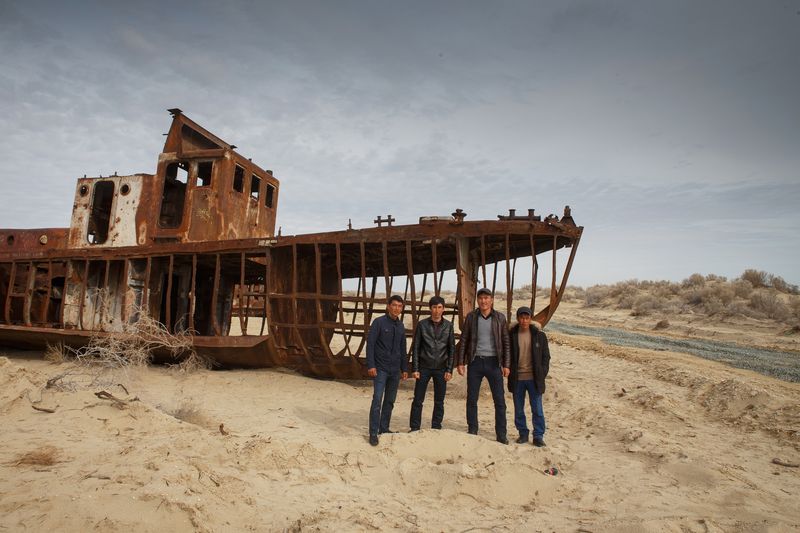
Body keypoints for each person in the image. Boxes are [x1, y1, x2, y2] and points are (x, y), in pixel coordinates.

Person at [456, 288, 511, 444]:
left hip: (494, 363)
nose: (483, 301)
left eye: (486, 298)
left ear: (491, 300)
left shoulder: (500, 318)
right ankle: (472, 429)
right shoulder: (471, 317)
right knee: (472, 399)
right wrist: (461, 362)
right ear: (477, 300)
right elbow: (464, 339)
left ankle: (501, 434)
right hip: (475, 362)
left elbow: (506, 342)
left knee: (499, 401)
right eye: (481, 298)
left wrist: (506, 364)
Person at [366, 294, 408, 446]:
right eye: (394, 305)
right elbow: (370, 344)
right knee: (377, 399)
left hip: (395, 370)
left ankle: (384, 428)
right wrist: (371, 365)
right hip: (380, 368)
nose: (397, 308)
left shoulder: (401, 326)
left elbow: (403, 348)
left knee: (390, 401)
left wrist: (404, 368)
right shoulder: (378, 323)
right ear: (388, 306)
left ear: (401, 309)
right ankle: (373, 432)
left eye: (399, 306)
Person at [409, 296, 455, 431]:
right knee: (418, 400)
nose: (436, 310)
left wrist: (449, 369)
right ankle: (414, 427)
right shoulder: (422, 325)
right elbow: (416, 347)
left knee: (439, 401)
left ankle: (436, 426)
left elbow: (451, 349)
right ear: (430, 309)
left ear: (443, 309)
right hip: (424, 367)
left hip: (441, 368)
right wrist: (415, 368)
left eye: (439, 307)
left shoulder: (448, 326)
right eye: (434, 307)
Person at [508, 307, 550, 447]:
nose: (524, 320)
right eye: (521, 317)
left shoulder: (539, 335)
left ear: (530, 318)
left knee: (537, 408)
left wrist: (541, 373)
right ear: (518, 319)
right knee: (519, 409)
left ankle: (538, 436)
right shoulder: (512, 335)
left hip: (534, 379)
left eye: (527, 317)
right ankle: (523, 434)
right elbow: (507, 355)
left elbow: (546, 357)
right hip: (517, 378)